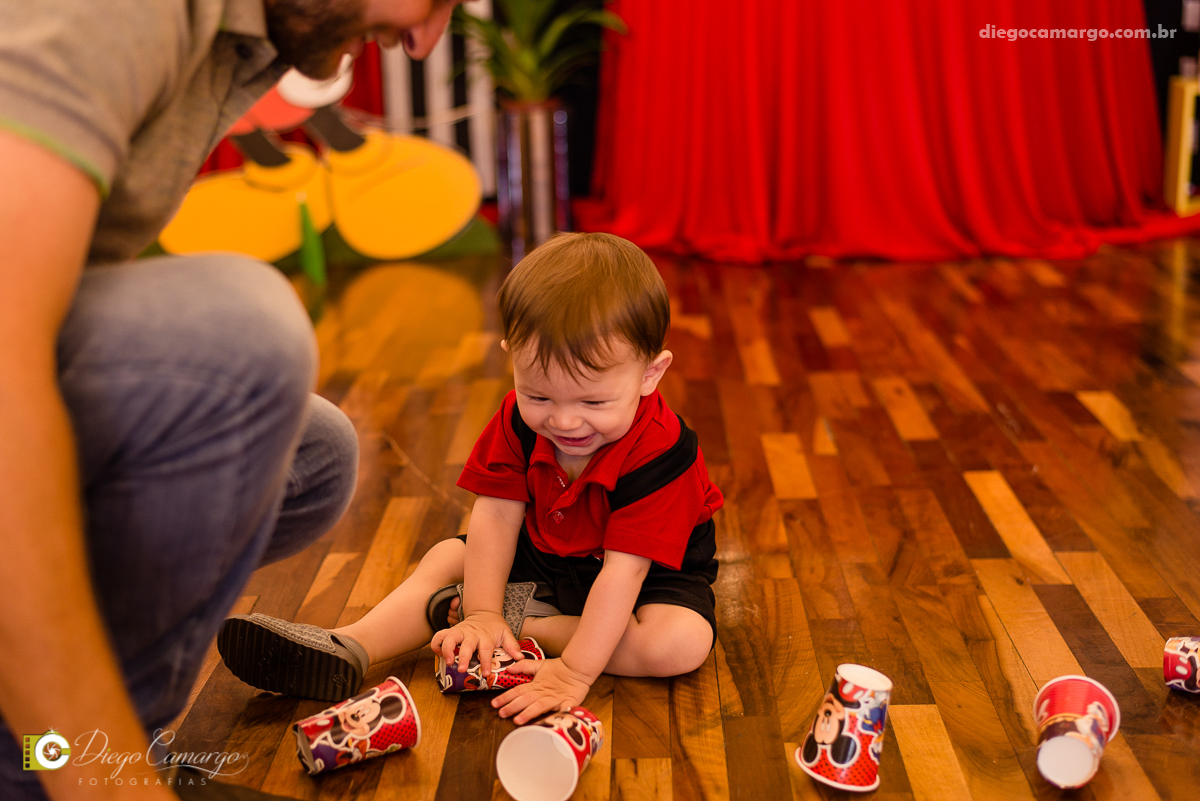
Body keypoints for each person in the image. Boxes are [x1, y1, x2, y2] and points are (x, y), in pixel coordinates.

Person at [0, 1, 464, 799]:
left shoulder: (237, 42)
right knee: (241, 343)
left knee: (315, 454)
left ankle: (52, 737)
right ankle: (57, 769)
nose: (426, 42)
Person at [217, 232, 723, 723]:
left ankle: (518, 621)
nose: (564, 422)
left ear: (650, 375)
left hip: (644, 576)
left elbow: (622, 574)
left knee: (677, 644)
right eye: (540, 397)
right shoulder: (517, 421)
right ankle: (352, 644)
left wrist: (573, 672)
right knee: (449, 555)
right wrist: (483, 611)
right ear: (512, 359)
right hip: (548, 555)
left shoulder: (662, 453)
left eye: (594, 402)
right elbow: (498, 513)